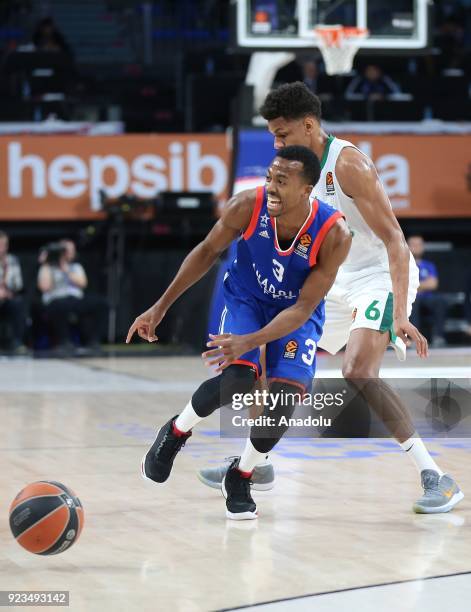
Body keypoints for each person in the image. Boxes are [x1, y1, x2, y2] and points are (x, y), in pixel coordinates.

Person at [198, 82, 463, 514]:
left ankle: (435, 475)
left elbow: (395, 238)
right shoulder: (290, 169)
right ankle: (256, 463)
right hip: (333, 281)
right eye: (273, 137)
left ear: (308, 125)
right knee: (265, 360)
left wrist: (398, 309)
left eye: (282, 134)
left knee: (358, 369)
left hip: (377, 275)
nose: (277, 144)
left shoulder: (349, 165)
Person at [126, 146, 352, 520]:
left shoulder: (334, 234)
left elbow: (302, 308)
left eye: (282, 181)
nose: (272, 187)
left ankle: (241, 473)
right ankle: (175, 433)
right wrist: (160, 306)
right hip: (246, 298)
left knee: (283, 401)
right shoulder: (246, 205)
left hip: (295, 312)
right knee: (237, 381)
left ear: (307, 188)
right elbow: (206, 250)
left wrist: (252, 340)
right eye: (270, 178)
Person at [37, 239, 107, 351]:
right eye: (66, 250)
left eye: (71, 250)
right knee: (60, 306)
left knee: (101, 303)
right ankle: (64, 342)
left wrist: (65, 269)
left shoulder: (76, 267)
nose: (69, 253)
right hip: (55, 300)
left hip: (75, 299)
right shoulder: (47, 267)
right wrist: (46, 263)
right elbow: (44, 287)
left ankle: (93, 341)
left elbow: (83, 283)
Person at [407, 235, 447, 348]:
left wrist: (415, 285)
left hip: (427, 298)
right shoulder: (404, 264)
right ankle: (414, 339)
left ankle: (439, 337)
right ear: (407, 246)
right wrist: (424, 284)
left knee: (440, 300)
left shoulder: (429, 265)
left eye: (419, 244)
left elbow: (433, 284)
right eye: (413, 244)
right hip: (411, 298)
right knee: (414, 302)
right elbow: (404, 284)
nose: (416, 247)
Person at [0, 231, 26, 351]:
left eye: (4, 245)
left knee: (18, 303)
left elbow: (18, 285)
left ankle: (17, 342)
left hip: (8, 296)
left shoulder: (12, 260)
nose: (2, 248)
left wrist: (8, 291)